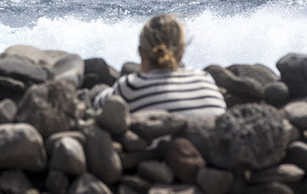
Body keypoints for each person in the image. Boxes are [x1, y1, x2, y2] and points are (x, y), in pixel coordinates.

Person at [93, 14, 226, 117]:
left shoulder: (132, 85)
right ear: (181, 53)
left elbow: (97, 105)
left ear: (141, 53)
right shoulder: (204, 79)